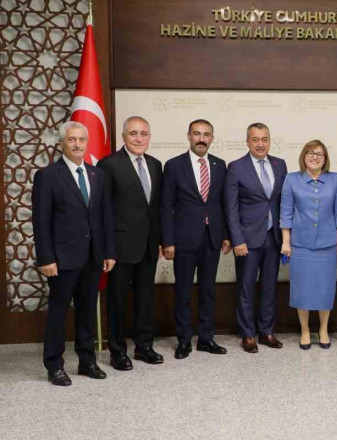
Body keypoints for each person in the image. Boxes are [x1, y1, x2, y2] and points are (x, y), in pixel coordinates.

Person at [33, 121, 116, 386]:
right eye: (72, 140)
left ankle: (86, 361)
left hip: (92, 257)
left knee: (87, 311)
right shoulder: (48, 176)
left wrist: (107, 252)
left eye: (81, 139)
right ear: (62, 143)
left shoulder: (97, 175)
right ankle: (54, 365)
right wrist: (46, 258)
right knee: (58, 312)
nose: (78, 144)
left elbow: (104, 218)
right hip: (62, 258)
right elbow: (41, 221)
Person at [97, 116, 164, 371]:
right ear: (124, 137)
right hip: (120, 247)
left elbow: (156, 209)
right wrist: (107, 249)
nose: (139, 138)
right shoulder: (109, 165)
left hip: (148, 246)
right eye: (133, 133)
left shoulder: (156, 165)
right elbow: (103, 211)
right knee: (117, 301)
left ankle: (144, 347)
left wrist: (158, 241)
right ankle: (117, 352)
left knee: (145, 299)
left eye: (144, 134)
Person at [161, 119, 231, 360]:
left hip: (212, 238)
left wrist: (225, 235)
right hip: (184, 239)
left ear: (212, 138)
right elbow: (166, 205)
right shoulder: (173, 166)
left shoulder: (220, 165)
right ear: (189, 136)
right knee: (183, 290)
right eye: (197, 134)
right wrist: (167, 241)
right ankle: (183, 340)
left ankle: (206, 338)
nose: (202, 138)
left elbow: (223, 204)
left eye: (207, 134)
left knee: (208, 289)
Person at [224, 123, 287, 353]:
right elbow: (231, 208)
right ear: (248, 142)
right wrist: (237, 239)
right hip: (247, 240)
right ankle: (248, 334)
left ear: (269, 141)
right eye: (255, 139)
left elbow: (282, 202)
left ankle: (266, 331)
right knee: (246, 287)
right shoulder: (236, 167)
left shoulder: (280, 165)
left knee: (270, 286)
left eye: (265, 139)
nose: (260, 144)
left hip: (274, 237)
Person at [280, 140, 337, 350]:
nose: (315, 157)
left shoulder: (335, 180)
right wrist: (286, 242)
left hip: (327, 244)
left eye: (320, 153)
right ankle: (305, 330)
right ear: (303, 156)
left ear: (325, 158)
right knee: (303, 289)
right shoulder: (291, 180)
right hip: (300, 245)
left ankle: (323, 329)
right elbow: (286, 213)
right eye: (310, 153)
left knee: (325, 289)